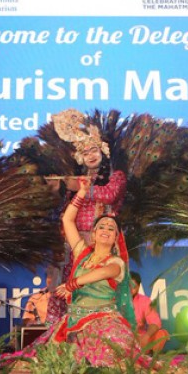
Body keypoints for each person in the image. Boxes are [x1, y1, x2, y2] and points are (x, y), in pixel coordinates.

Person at [45, 177, 139, 367]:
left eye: (111, 229)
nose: (106, 230)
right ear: (94, 234)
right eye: (101, 227)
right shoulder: (82, 253)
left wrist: (74, 283)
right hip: (73, 321)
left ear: (115, 238)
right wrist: (82, 192)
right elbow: (67, 220)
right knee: (44, 363)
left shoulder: (116, 263)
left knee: (114, 362)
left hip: (104, 322)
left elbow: (103, 273)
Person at [45, 109, 127, 324]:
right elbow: (64, 215)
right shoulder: (74, 182)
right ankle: (60, 332)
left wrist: (82, 189)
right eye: (85, 152)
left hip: (101, 245)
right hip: (74, 245)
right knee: (62, 289)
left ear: (103, 152)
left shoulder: (116, 177)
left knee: (95, 287)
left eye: (94, 150)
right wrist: (56, 190)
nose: (90, 155)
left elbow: (109, 195)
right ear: (79, 157)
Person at [130, 271, 169, 353]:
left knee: (160, 335)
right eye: (127, 286)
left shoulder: (145, 301)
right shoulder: (115, 299)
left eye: (133, 286)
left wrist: (147, 336)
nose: (130, 289)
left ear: (138, 287)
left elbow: (155, 323)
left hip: (138, 338)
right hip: (119, 336)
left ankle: (149, 356)